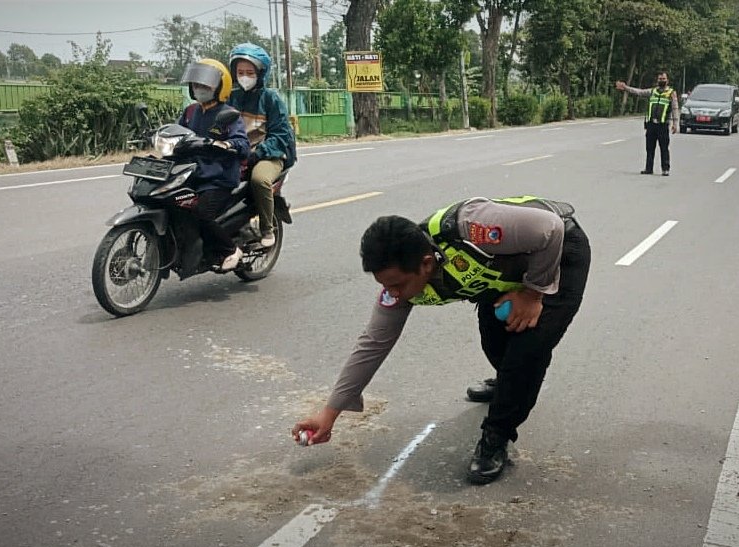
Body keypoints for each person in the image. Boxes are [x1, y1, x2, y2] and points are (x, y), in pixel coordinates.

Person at [291, 196, 591, 485]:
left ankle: (497, 436)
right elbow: (373, 343)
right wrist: (329, 414)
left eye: (397, 285)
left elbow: (550, 228)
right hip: (504, 275)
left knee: (526, 353)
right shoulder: (401, 282)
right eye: (385, 285)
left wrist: (533, 292)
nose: (393, 293)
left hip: (557, 255)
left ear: (425, 264)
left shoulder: (472, 228)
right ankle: (507, 385)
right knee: (495, 343)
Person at [178, 58, 250, 271]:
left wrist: (226, 144)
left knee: (202, 213)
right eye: (196, 84)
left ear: (219, 87)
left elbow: (243, 144)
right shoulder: (190, 112)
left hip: (218, 178)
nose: (199, 88)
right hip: (192, 173)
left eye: (205, 85)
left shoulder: (227, 114)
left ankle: (230, 250)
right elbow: (178, 133)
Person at [227, 43, 297, 249]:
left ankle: (267, 228)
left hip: (268, 155)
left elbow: (281, 135)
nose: (244, 77)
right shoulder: (231, 97)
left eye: (250, 73)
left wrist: (256, 154)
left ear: (260, 73)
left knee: (259, 179)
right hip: (237, 153)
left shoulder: (270, 99)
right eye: (240, 72)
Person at [615, 72, 679, 176]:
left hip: (663, 125)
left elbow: (675, 108)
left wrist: (675, 124)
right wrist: (626, 88)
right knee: (649, 148)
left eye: (663, 79)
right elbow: (639, 92)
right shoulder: (652, 91)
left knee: (664, 148)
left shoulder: (671, 93)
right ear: (657, 80)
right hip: (651, 125)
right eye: (660, 79)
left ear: (667, 80)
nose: (662, 80)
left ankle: (665, 169)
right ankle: (649, 168)